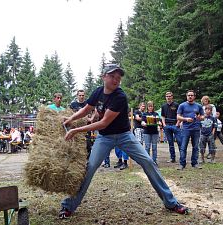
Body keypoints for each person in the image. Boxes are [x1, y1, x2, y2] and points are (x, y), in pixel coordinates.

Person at [59, 64, 189, 219]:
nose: (116, 80)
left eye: (118, 78)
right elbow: (87, 109)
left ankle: (171, 202)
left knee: (148, 161)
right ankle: (68, 206)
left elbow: (103, 123)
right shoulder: (98, 92)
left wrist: (75, 130)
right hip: (104, 138)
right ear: (104, 77)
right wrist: (71, 119)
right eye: (113, 76)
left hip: (124, 136)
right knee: (90, 167)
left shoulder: (120, 97)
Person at [177, 90, 204, 170]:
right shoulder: (182, 105)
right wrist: (185, 119)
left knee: (195, 147)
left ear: (194, 96)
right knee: (183, 147)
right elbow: (178, 117)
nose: (190, 96)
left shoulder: (198, 106)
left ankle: (194, 163)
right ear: (186, 96)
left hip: (196, 128)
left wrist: (199, 118)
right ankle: (182, 164)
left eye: (192, 95)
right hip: (186, 129)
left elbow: (203, 117)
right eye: (189, 95)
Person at [161, 91, 182, 163]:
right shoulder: (163, 106)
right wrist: (164, 124)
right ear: (165, 97)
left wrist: (178, 123)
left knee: (179, 141)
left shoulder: (176, 105)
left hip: (175, 125)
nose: (168, 97)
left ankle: (182, 157)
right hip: (167, 126)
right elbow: (163, 116)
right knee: (170, 142)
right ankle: (172, 158)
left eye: (169, 96)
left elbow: (180, 115)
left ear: (172, 97)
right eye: (167, 96)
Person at [141, 101, 160, 165]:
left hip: (154, 132)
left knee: (154, 147)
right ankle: (148, 161)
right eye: (149, 106)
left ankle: (154, 161)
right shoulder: (144, 114)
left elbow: (159, 122)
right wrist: (144, 124)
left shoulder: (156, 114)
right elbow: (142, 122)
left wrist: (159, 123)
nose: (150, 107)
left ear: (153, 107)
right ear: (147, 107)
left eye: (151, 106)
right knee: (147, 147)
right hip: (147, 132)